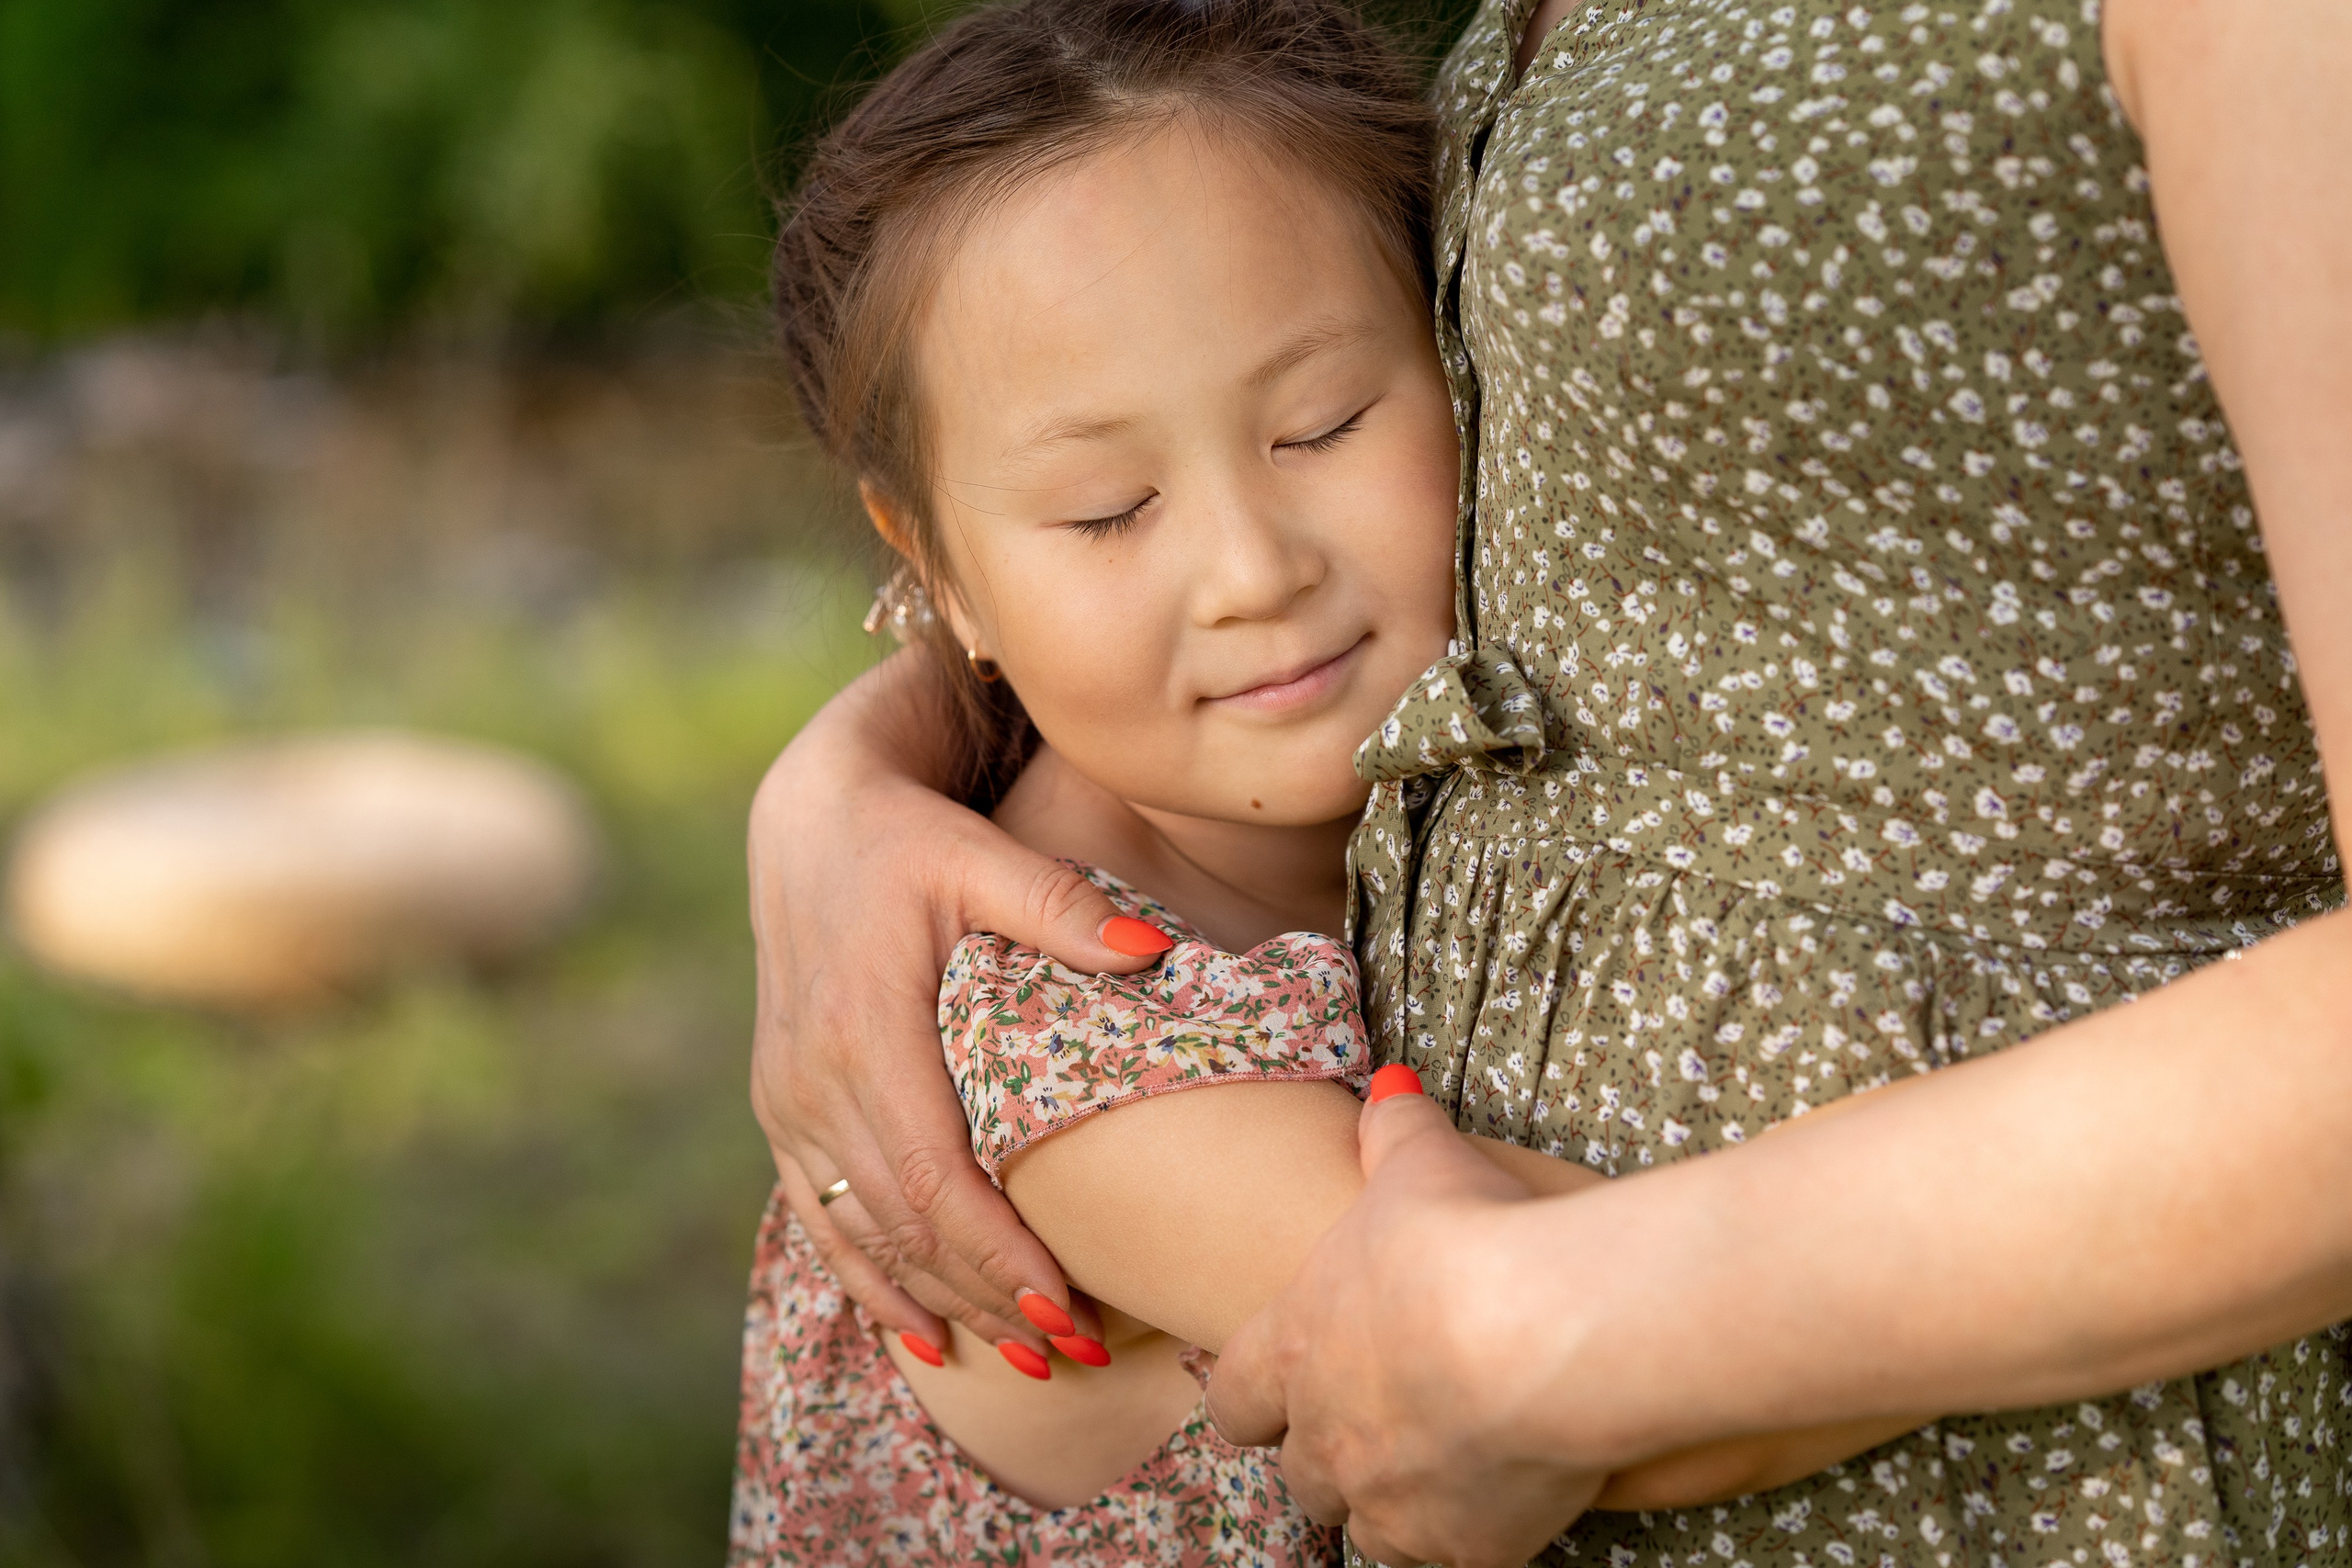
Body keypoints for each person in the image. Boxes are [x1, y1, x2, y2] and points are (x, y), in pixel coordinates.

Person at [746, 0, 2352, 1563]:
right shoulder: (1071, 1046)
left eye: (1323, 424)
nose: (1250, 570)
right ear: (936, 568)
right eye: (1108, 511)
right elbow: (1646, 1395)